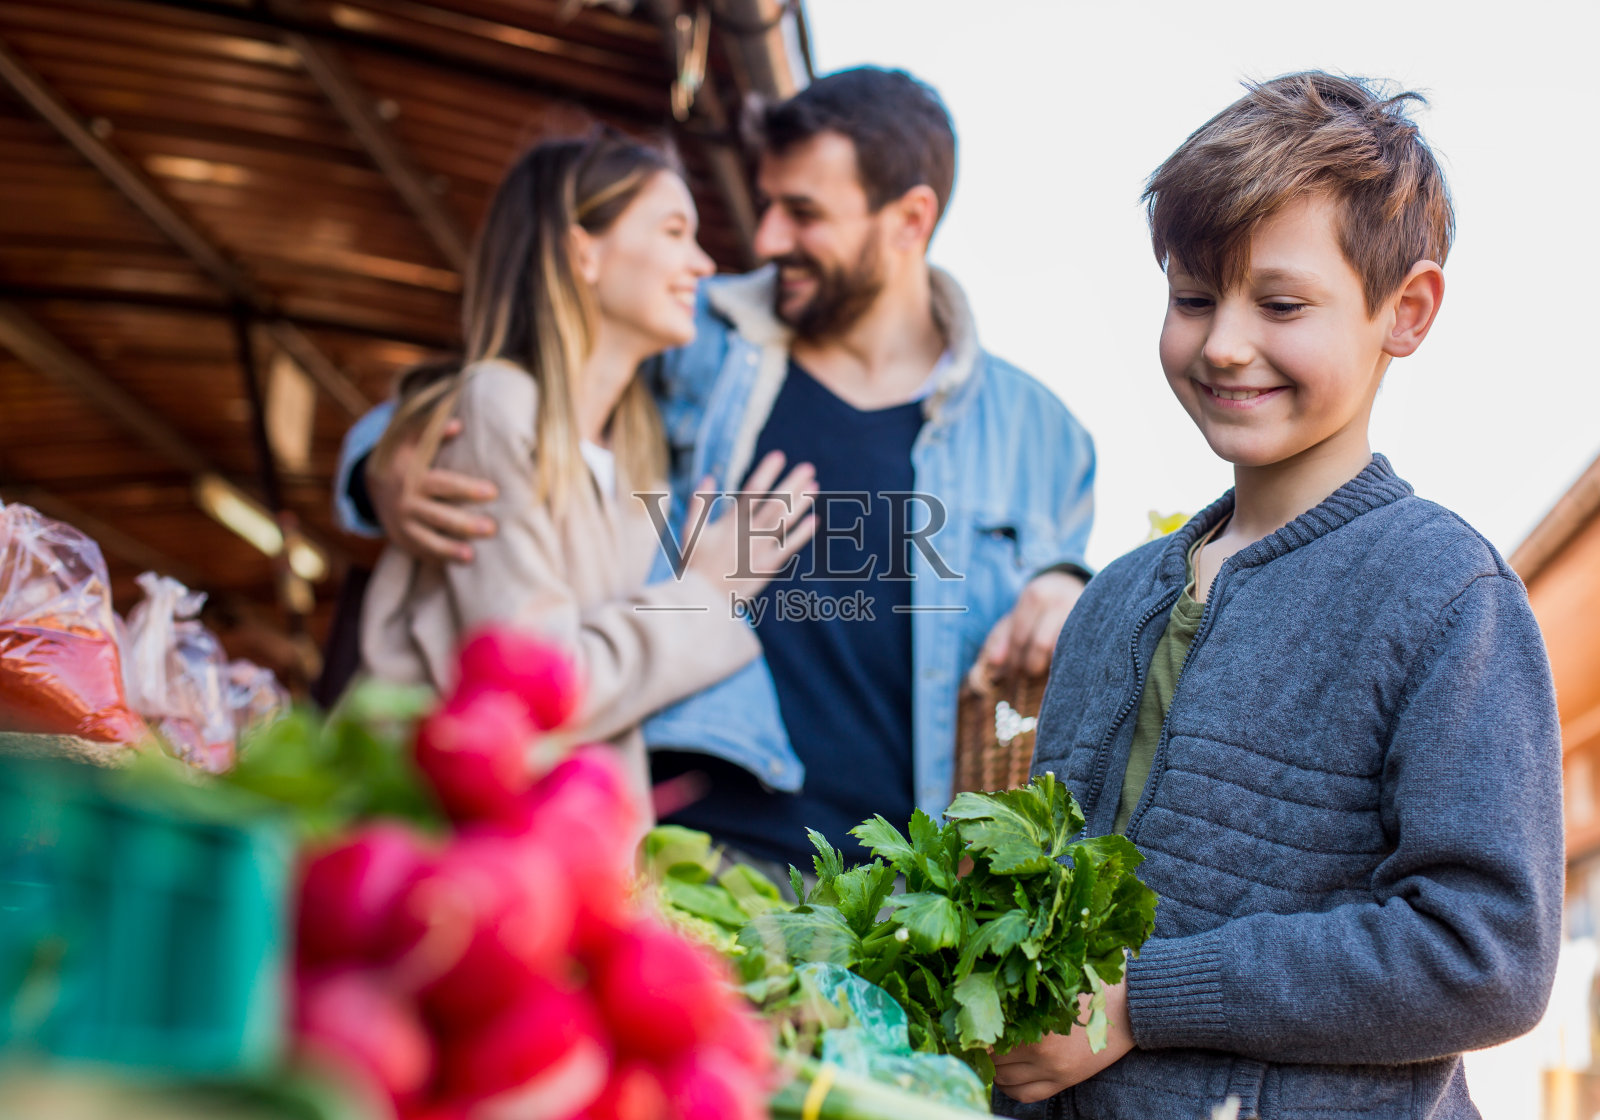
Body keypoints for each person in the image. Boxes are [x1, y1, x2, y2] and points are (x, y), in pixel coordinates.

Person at [338, 68, 1096, 872]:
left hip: (891, 890)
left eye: (803, 212)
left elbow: (1051, 619)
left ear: (910, 220)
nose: (765, 238)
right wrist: (383, 467)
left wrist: (1067, 588)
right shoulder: (695, 332)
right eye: (768, 204)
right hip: (683, 851)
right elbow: (498, 395)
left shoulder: (1041, 436)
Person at [993, 73, 1562, 1120]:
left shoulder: (1446, 594)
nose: (1222, 343)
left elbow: (1484, 954)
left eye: (1281, 304)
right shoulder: (1111, 600)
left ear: (1406, 312)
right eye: (1193, 298)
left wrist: (1140, 1001)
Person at [357, 130, 816, 808]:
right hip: (434, 834)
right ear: (584, 253)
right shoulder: (497, 405)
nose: (702, 263)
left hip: (550, 841)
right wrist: (706, 594)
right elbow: (535, 689)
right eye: (674, 231)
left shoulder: (636, 461)